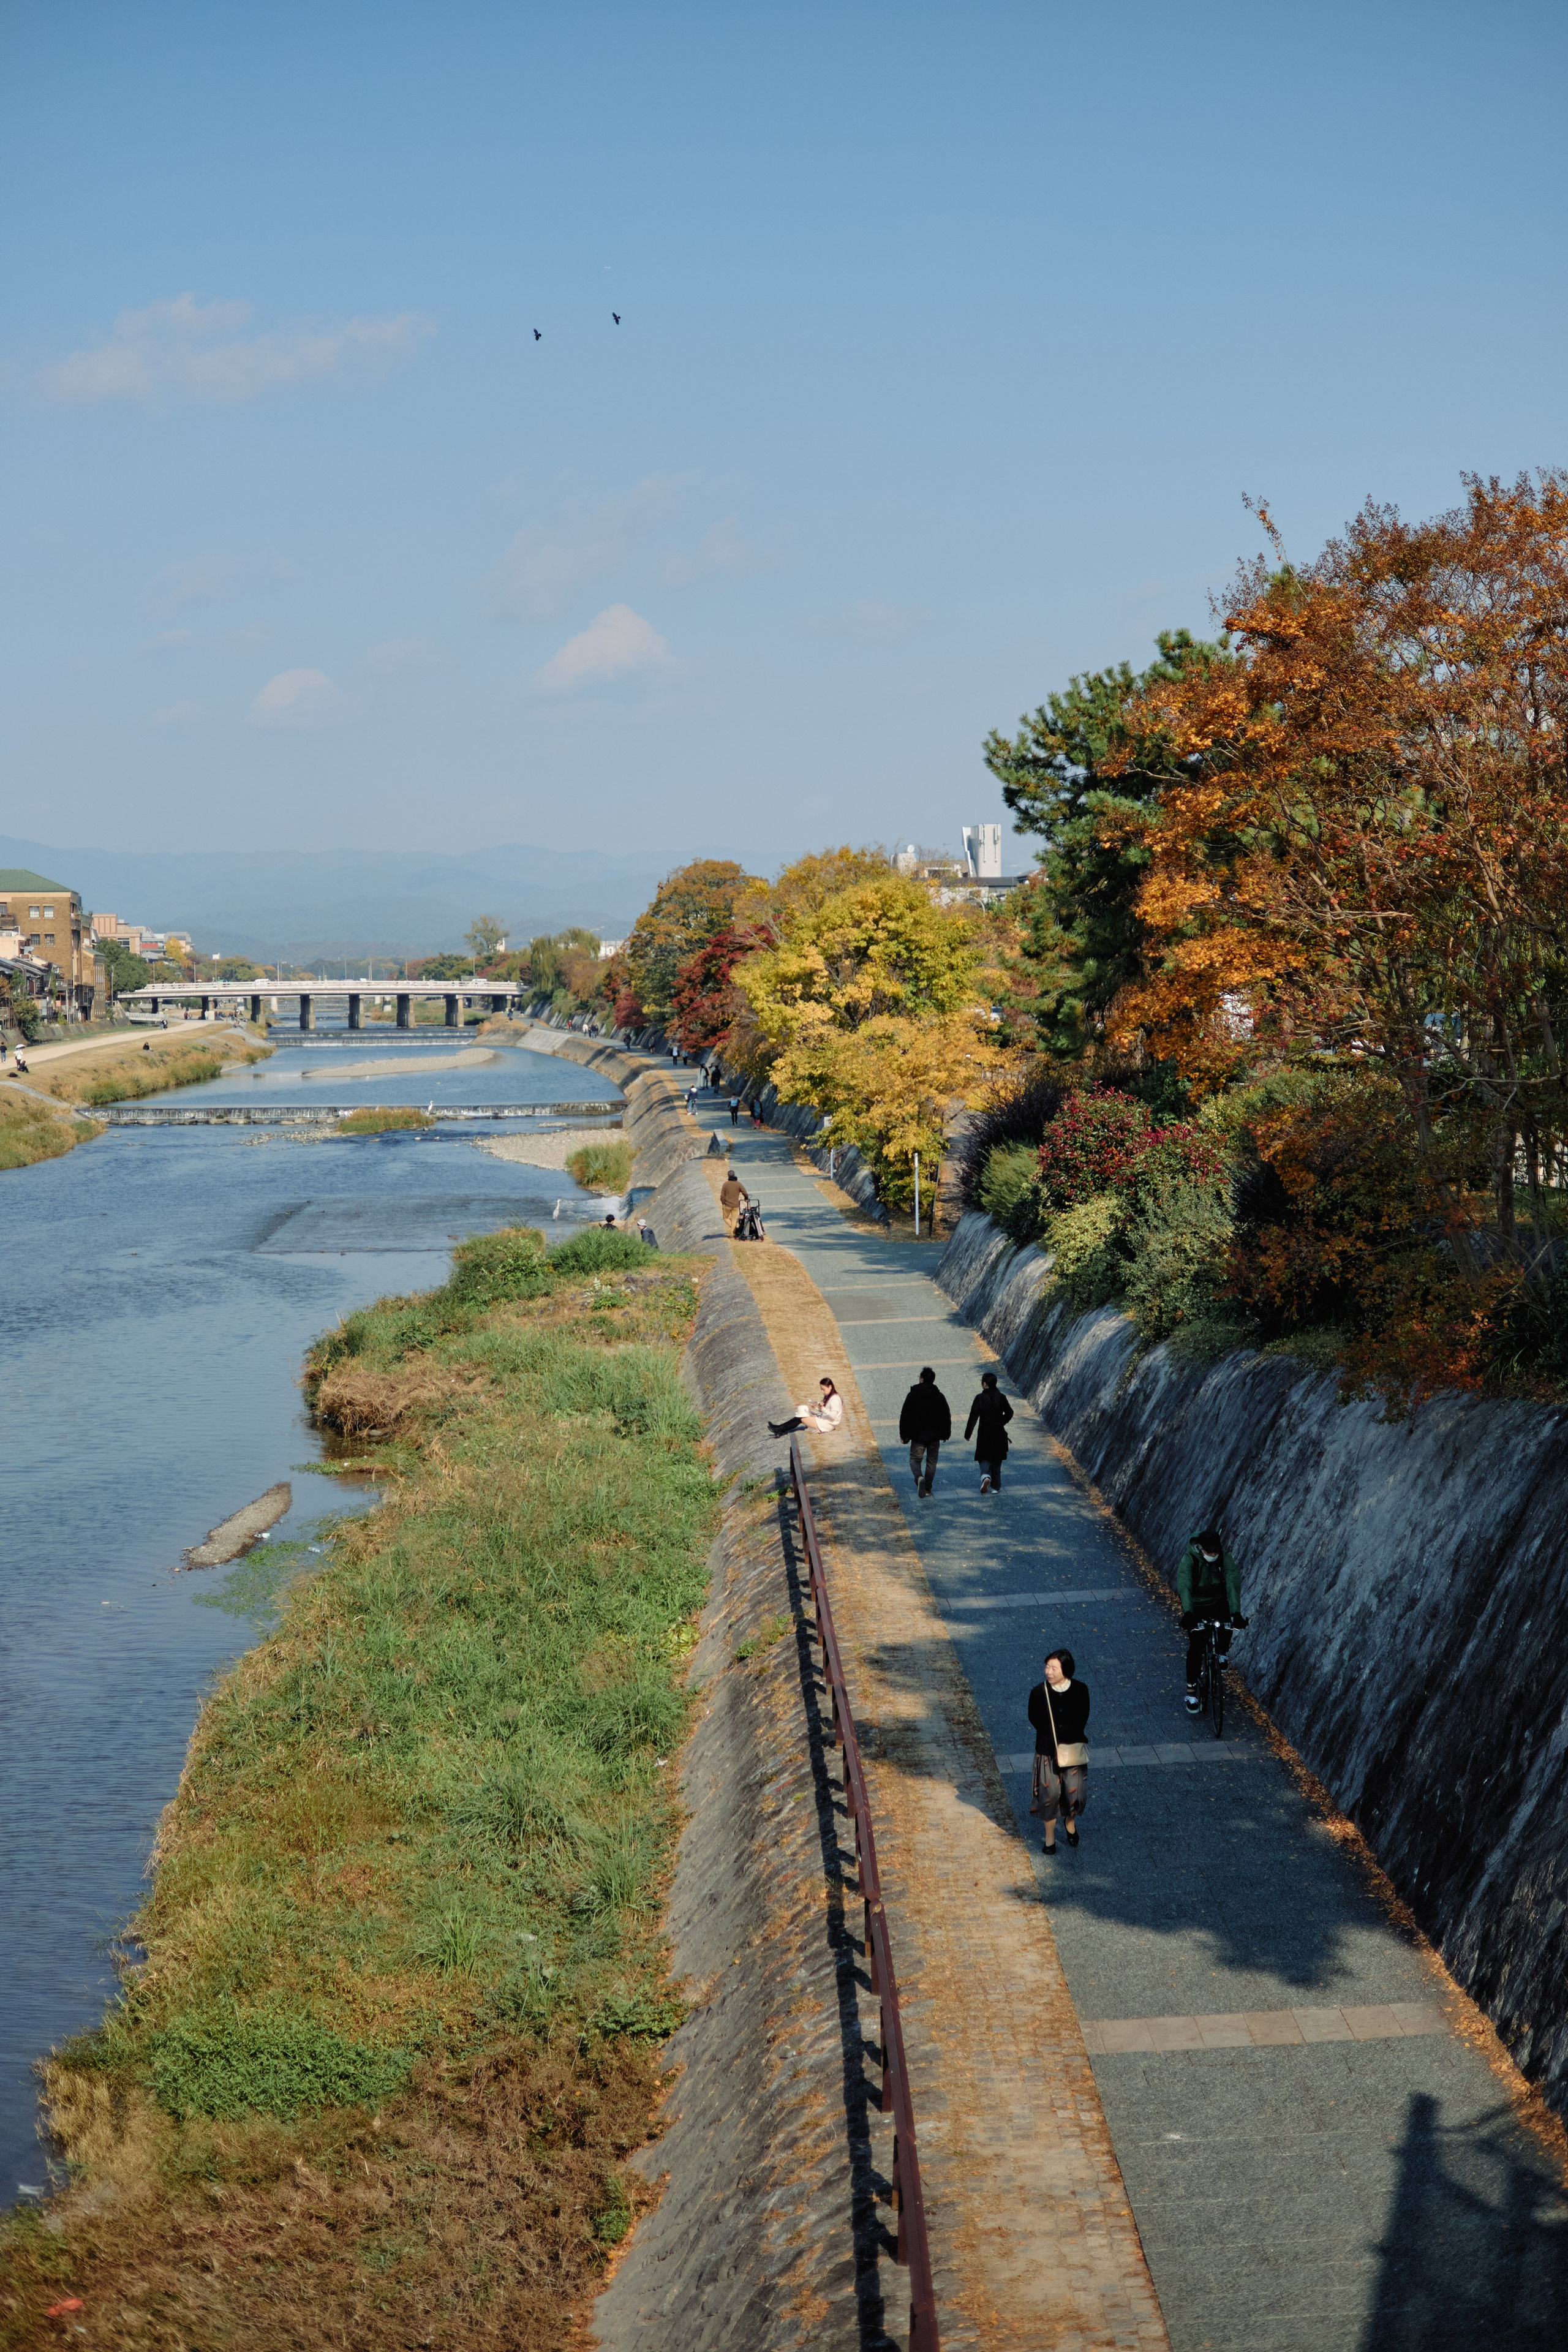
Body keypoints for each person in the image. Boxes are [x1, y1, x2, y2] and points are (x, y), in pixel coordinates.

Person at [1177, 1526, 1248, 1715]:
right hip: (1197, 1605)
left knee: (1228, 1621)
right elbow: (1185, 1586)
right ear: (1201, 1549)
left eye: (1216, 1551)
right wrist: (1189, 1613)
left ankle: (1222, 1651)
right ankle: (1192, 1691)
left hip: (1218, 1601)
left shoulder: (1224, 1558)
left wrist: (1236, 1613)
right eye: (1210, 1552)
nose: (1214, 1555)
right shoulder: (1190, 1560)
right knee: (1196, 1646)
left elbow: (1233, 1582)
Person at [1028, 1649, 1090, 1853]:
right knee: (1049, 1796)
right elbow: (1034, 1718)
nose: (1049, 1671)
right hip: (1047, 1751)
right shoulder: (1039, 1692)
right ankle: (1050, 1838)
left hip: (1073, 1752)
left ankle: (1070, 1822)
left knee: (1076, 1796)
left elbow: (1083, 1716)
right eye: (1047, 1667)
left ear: (1066, 1669)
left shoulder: (1081, 1690)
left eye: (1054, 1668)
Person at [899, 1366, 952, 1498]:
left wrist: (904, 1435)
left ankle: (919, 1477)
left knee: (915, 1460)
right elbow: (946, 1416)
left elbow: (905, 1415)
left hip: (918, 1436)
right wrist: (946, 1433)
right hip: (935, 1436)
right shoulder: (939, 1396)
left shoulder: (912, 1395)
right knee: (932, 1462)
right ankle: (927, 1488)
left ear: (922, 1380)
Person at [963, 1371, 1014, 1493]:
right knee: (997, 1461)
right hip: (999, 1433)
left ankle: (985, 1476)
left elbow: (973, 1417)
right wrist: (1000, 1422)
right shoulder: (1001, 1397)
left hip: (985, 1433)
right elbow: (1010, 1413)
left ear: (985, 1384)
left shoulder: (980, 1398)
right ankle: (995, 1487)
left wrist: (968, 1434)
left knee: (984, 1457)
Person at [769, 1378, 843, 1439]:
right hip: (824, 1419)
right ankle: (779, 1427)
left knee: (801, 1418)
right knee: (803, 1408)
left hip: (827, 1424)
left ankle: (780, 1430)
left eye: (823, 1389)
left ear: (830, 1387)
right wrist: (817, 1408)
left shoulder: (835, 1399)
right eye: (821, 1389)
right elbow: (826, 1412)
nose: (822, 1391)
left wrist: (823, 1409)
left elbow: (833, 1417)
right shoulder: (829, 1396)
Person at [718, 1166, 750, 1232]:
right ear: (734, 1175)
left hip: (727, 1205)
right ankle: (733, 1232)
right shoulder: (738, 1184)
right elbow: (745, 1192)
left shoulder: (726, 1184)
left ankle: (734, 1231)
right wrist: (746, 1198)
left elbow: (722, 1196)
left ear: (728, 1176)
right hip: (735, 1205)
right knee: (734, 1219)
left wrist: (723, 1202)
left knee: (725, 1218)